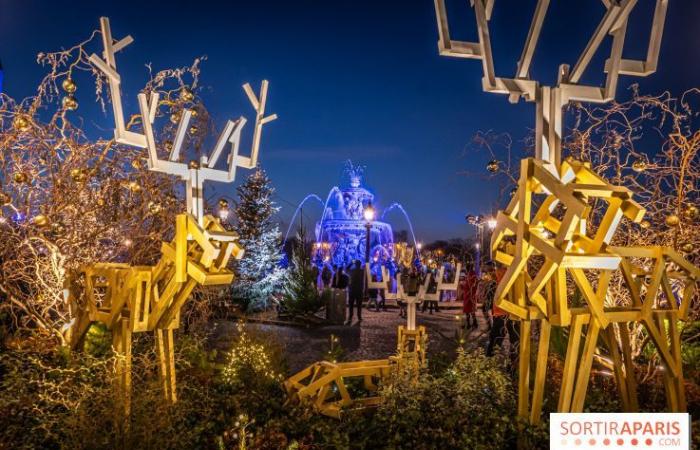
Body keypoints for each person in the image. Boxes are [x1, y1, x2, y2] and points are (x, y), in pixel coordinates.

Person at [486, 264, 519, 366]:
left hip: (504, 312)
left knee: (498, 337)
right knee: (514, 339)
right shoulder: (511, 272)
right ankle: (511, 366)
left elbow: (490, 296)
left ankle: (490, 361)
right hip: (510, 311)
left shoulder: (497, 276)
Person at [346, 260, 365, 324]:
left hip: (352, 290)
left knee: (351, 304)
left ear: (355, 264)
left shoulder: (352, 271)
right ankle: (359, 317)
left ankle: (350, 316)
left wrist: (351, 262)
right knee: (359, 305)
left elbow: (346, 269)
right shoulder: (362, 271)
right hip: (359, 290)